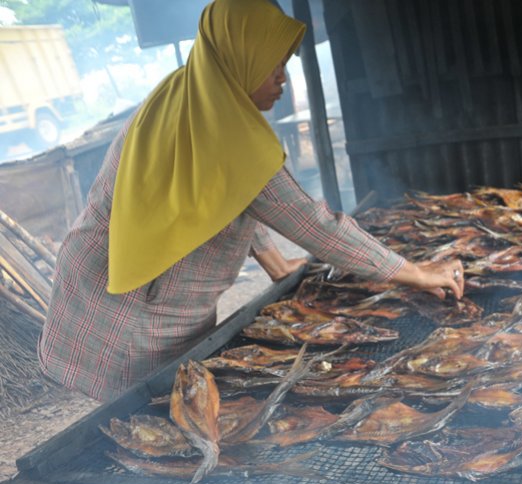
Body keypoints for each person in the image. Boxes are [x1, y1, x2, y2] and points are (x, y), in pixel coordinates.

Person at [38, 0, 464, 402]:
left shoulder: (183, 95)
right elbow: (317, 227)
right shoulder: (233, 140)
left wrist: (273, 261)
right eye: (272, 64)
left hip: (101, 272)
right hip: (130, 306)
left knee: (153, 413)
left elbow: (223, 194)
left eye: (284, 64)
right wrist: (416, 274)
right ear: (238, 56)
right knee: (137, 420)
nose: (283, 78)